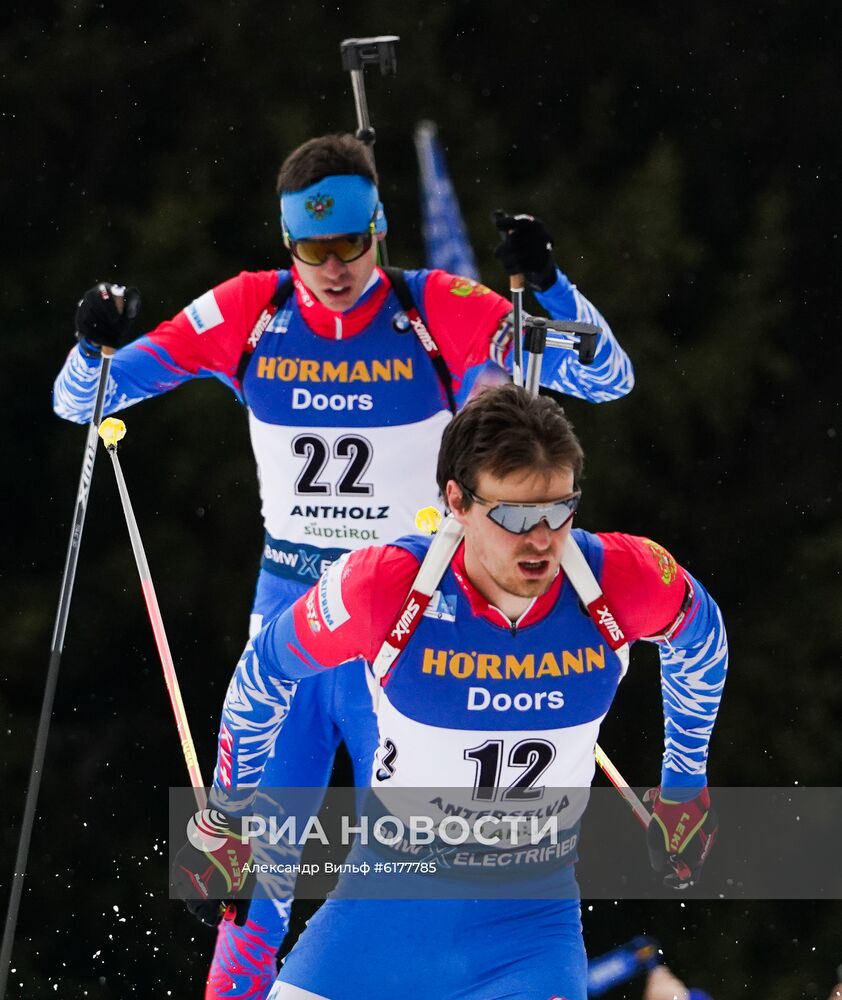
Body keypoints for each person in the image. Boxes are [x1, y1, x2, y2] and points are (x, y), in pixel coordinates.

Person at [53, 134, 634, 997]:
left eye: (351, 245)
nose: (333, 268)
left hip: (399, 623)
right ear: (286, 243)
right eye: (311, 249)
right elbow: (81, 400)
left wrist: (551, 289)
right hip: (291, 625)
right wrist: (90, 347)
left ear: (381, 229)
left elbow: (608, 376)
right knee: (254, 871)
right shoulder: (251, 312)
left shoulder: (433, 306)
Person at [175, 385, 727, 1000]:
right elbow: (265, 671)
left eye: (559, 510)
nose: (542, 540)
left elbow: (702, 640)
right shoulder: (384, 584)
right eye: (516, 517)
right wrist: (225, 817)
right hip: (378, 917)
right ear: (457, 502)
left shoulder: (621, 578)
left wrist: (685, 789)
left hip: (528, 936)